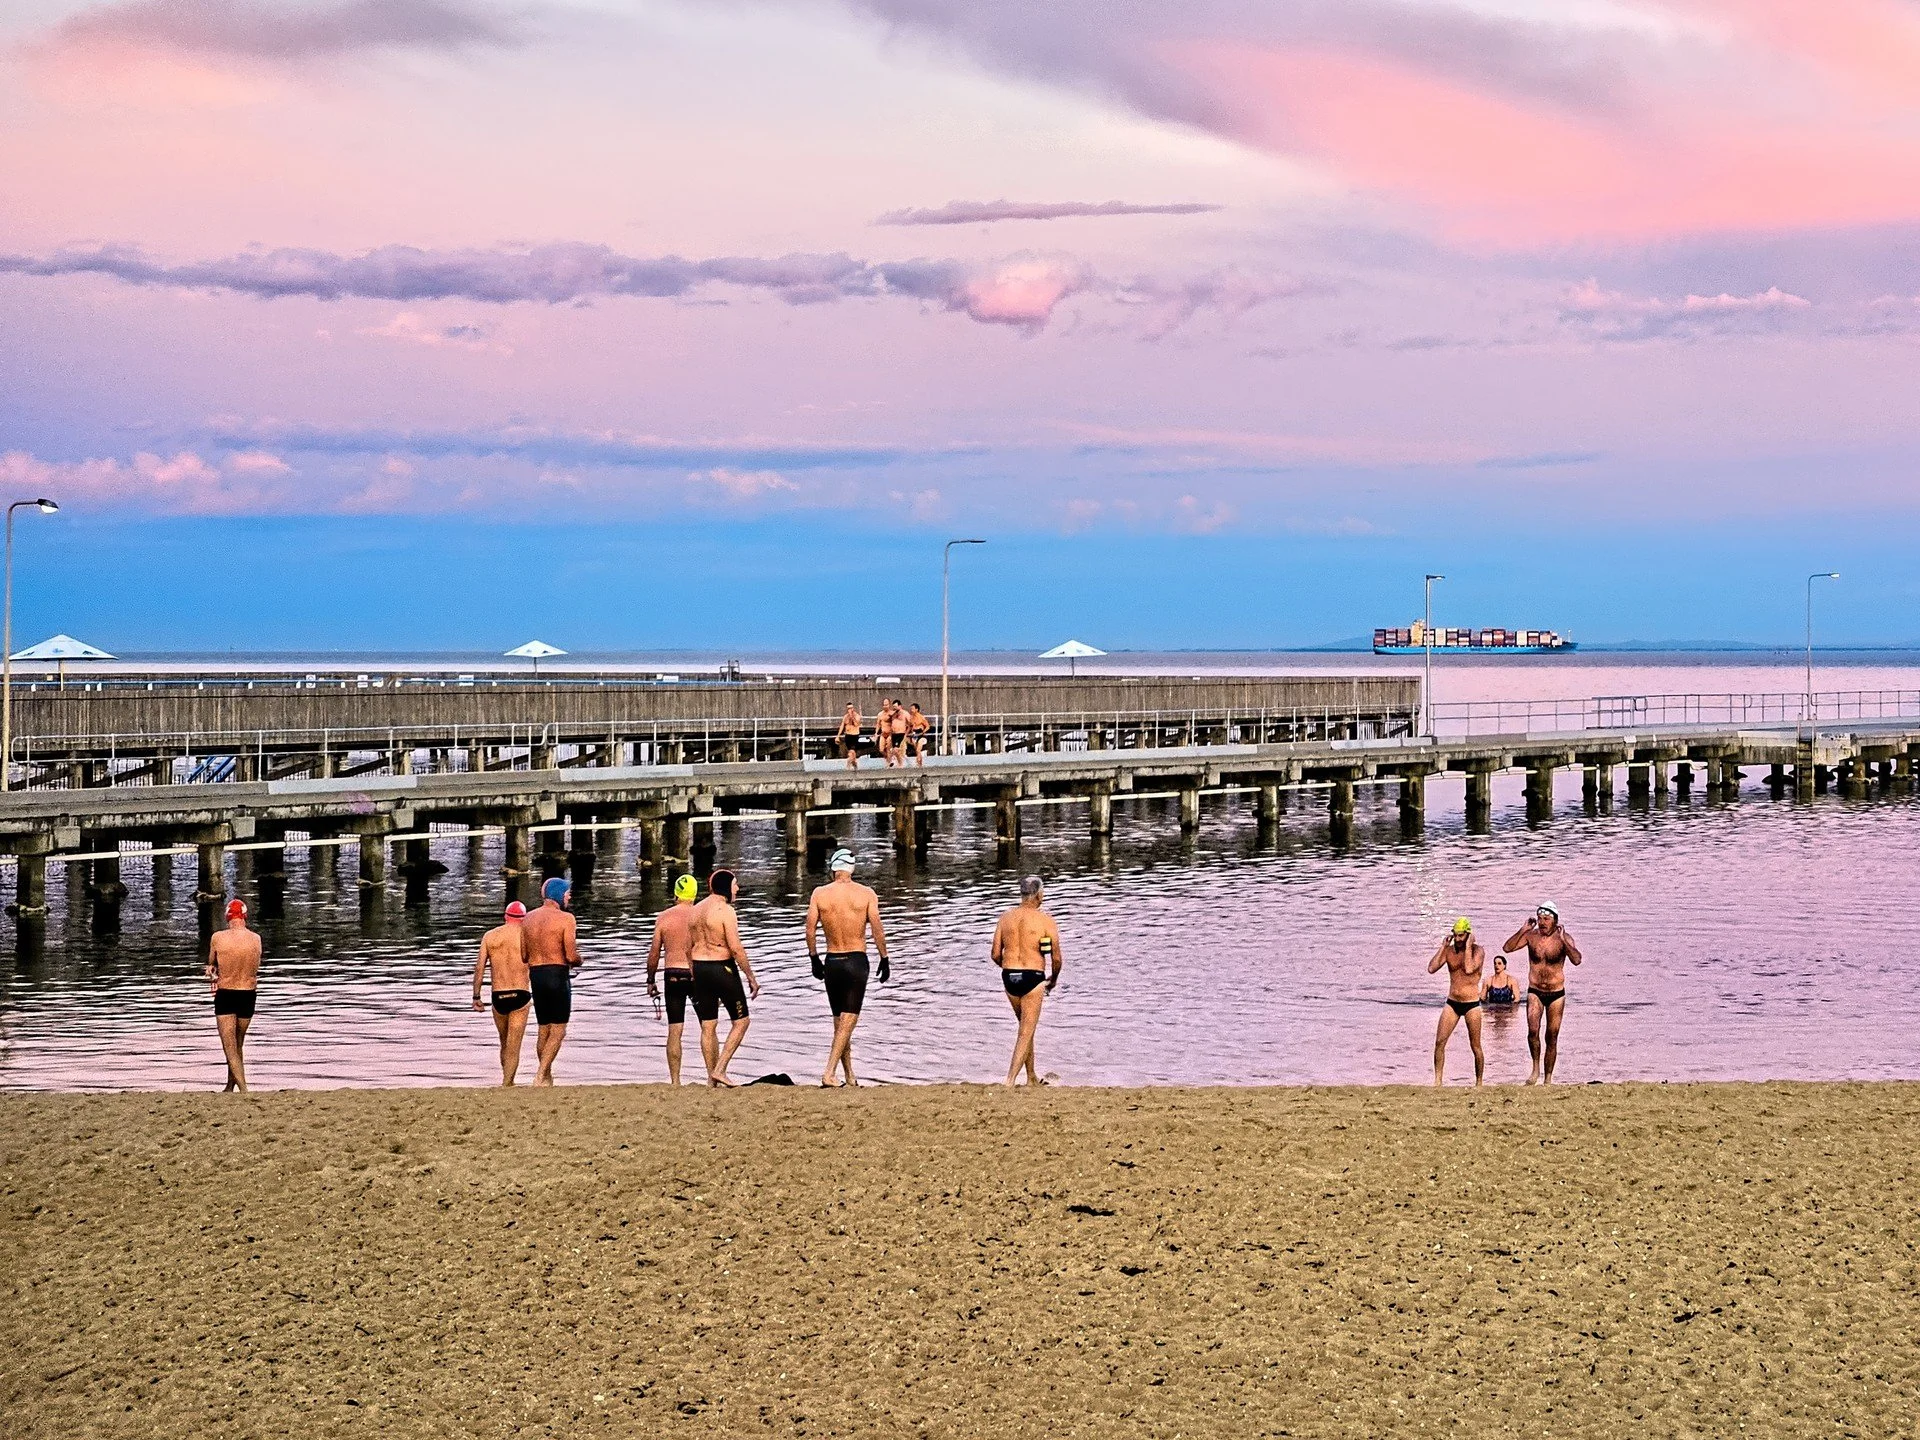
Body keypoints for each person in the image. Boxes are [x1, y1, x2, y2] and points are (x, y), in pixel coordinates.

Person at [804, 848, 891, 1087]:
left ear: (833, 869)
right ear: (852, 869)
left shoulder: (820, 894)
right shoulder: (866, 894)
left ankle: (850, 1076)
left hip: (832, 961)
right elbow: (877, 928)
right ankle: (829, 1073)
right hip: (855, 961)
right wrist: (885, 958)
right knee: (848, 1022)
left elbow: (810, 929)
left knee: (840, 1023)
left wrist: (814, 958)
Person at [689, 868, 761, 1086]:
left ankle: (711, 1079)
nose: (737, 889)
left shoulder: (695, 911)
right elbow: (736, 948)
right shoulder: (725, 910)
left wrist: (695, 972)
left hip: (700, 967)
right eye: (735, 884)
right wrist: (751, 977)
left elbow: (687, 947)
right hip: (722, 968)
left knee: (708, 1025)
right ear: (725, 887)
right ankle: (720, 1070)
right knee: (741, 1021)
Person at [990, 875, 1063, 1087]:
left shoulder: (1005, 918)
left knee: (1026, 1026)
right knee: (1025, 1031)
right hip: (1033, 977)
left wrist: (1011, 967)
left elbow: (995, 954)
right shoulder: (1045, 920)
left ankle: (1031, 1076)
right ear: (1039, 895)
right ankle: (1010, 1081)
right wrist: (1053, 979)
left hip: (1009, 977)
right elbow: (1056, 958)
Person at [1503, 901, 1583, 1084]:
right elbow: (1507, 948)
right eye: (1540, 919)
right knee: (1533, 1031)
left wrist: (1563, 941)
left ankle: (1548, 1077)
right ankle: (1535, 1069)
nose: (1542, 923)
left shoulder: (1564, 938)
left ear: (1555, 920)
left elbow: (1577, 960)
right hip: (1535, 991)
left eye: (1546, 919)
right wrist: (1523, 929)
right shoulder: (1531, 936)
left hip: (1556, 993)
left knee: (1552, 1035)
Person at [521, 876, 581, 1086]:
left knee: (543, 1028)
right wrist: (580, 960)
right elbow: (571, 955)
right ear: (558, 895)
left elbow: (524, 955)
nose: (569, 897)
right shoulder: (566, 919)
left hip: (536, 975)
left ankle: (546, 1076)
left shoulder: (527, 918)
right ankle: (540, 1075)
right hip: (557, 975)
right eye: (567, 893)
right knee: (559, 1029)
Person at [646, 874, 701, 1085]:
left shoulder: (664, 917)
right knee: (708, 1025)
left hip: (672, 975)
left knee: (675, 1029)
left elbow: (654, 953)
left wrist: (650, 980)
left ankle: (675, 1081)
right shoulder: (700, 914)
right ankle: (712, 1076)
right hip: (696, 974)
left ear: (676, 894)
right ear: (694, 894)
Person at [471, 900, 533, 1085]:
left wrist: (476, 996)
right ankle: (507, 1083)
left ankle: (507, 1081)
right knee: (514, 1045)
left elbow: (479, 968)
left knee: (504, 1042)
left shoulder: (490, 936)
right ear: (524, 918)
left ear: (505, 917)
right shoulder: (527, 936)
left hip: (498, 996)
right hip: (520, 994)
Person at [206, 898, 262, 1093]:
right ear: (245, 917)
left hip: (227, 993)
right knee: (238, 1043)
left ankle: (244, 1090)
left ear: (227, 917)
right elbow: (256, 965)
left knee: (230, 1047)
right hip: (248, 994)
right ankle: (230, 1086)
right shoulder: (256, 939)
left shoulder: (218, 938)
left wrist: (212, 972)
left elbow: (211, 964)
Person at [1428, 916, 1486, 1087]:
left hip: (1471, 1004)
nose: (1458, 939)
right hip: (1452, 1002)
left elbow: (1469, 969)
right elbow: (1431, 968)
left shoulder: (1478, 951)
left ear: (1468, 934)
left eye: (1462, 936)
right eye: (1456, 935)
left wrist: (1468, 946)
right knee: (1439, 1042)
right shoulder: (1450, 951)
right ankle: (1438, 1080)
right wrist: (1443, 947)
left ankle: (1479, 1082)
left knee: (1475, 1045)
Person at [836, 703, 862, 770]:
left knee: (851, 752)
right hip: (848, 735)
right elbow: (842, 726)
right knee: (852, 753)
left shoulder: (857, 716)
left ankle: (848, 765)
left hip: (855, 735)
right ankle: (854, 763)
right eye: (848, 708)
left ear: (853, 708)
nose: (850, 710)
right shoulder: (845, 717)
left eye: (851, 708)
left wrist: (852, 717)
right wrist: (838, 736)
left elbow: (857, 724)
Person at [887, 700, 910, 768]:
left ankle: (893, 760)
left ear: (900, 706)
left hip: (901, 733)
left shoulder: (905, 713)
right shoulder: (893, 714)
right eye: (893, 707)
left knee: (895, 749)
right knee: (895, 750)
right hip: (894, 734)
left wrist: (906, 734)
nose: (894, 708)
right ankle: (901, 764)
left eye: (896, 707)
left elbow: (910, 725)